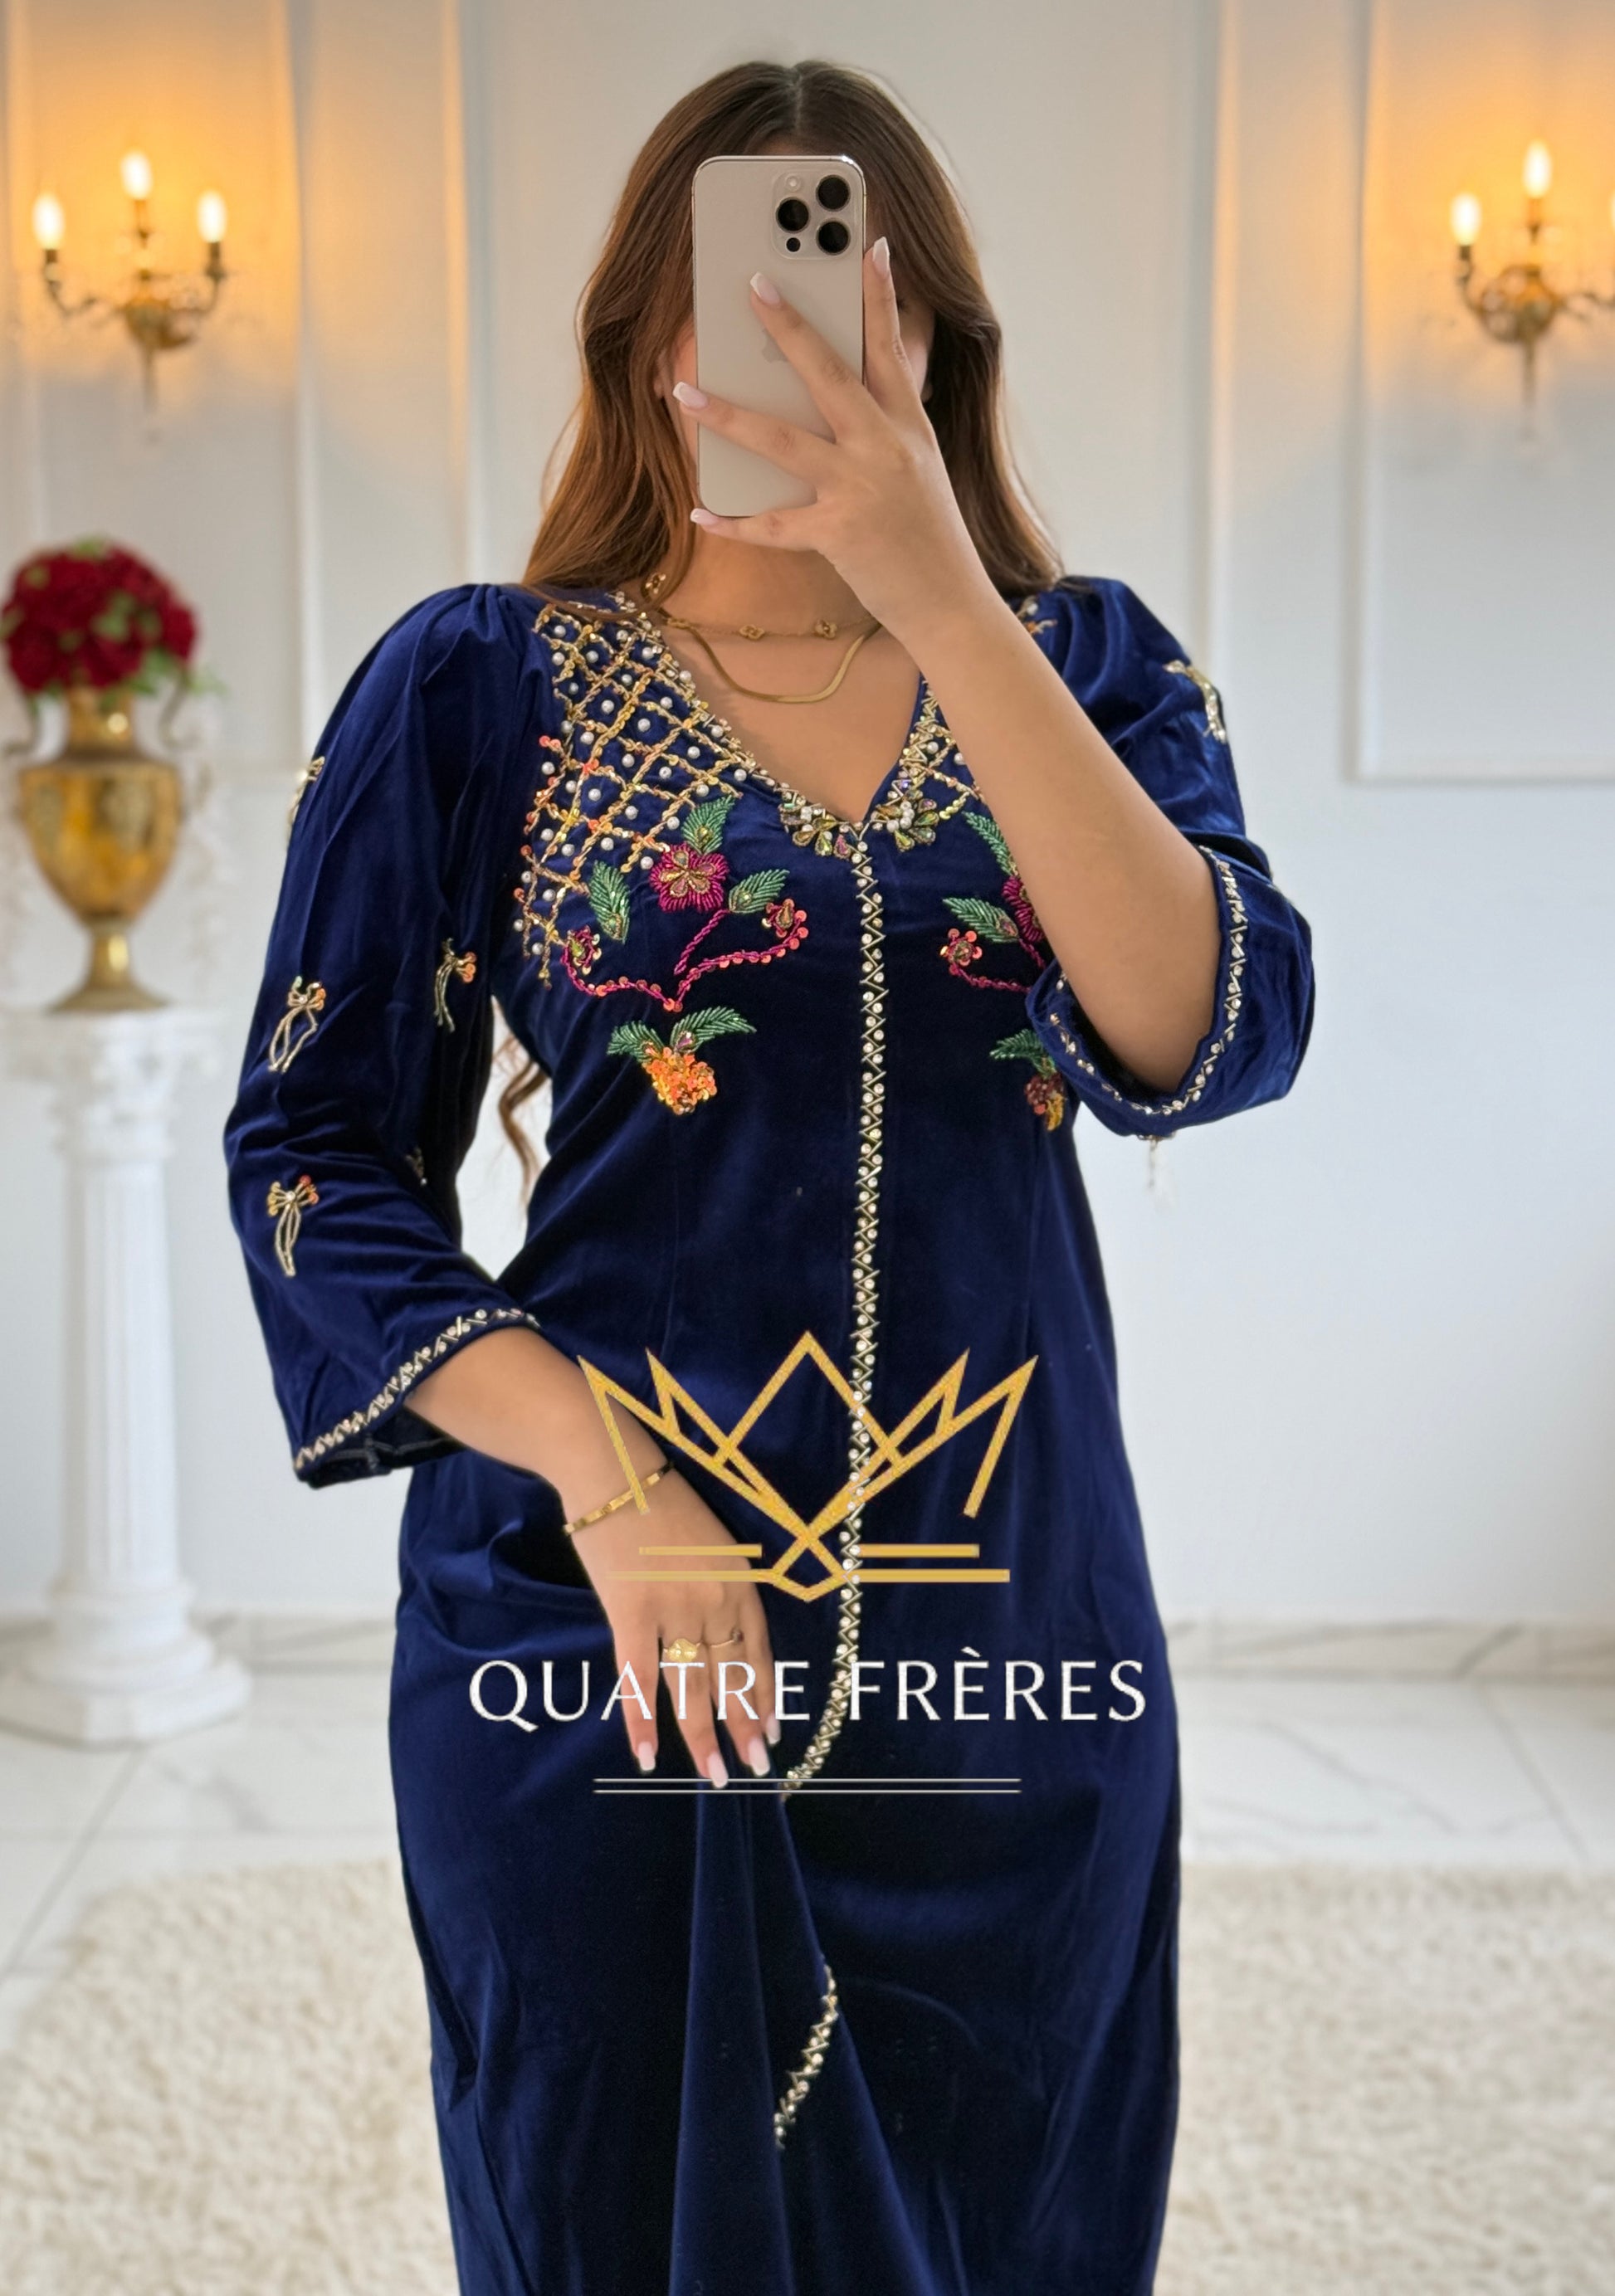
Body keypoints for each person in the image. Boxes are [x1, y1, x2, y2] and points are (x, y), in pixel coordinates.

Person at [224, 56, 1314, 2296]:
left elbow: (1209, 1031)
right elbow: (315, 1160)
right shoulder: (479, 686)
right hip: (599, 1645)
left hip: (1009, 1639)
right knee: (608, 2213)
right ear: (651, 338)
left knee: (1012, 2211)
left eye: (851, 303)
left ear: (936, 344)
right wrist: (612, 1485)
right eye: (747, 297)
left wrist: (943, 598)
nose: (796, 348)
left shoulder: (1087, 668)